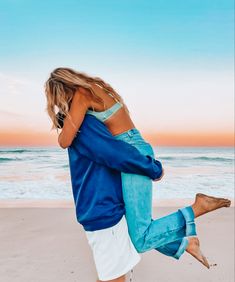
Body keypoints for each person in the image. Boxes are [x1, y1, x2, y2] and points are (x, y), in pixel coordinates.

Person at [45, 67, 231, 282]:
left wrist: (61, 119)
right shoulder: (91, 90)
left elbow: (64, 140)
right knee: (137, 232)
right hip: (131, 151)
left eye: (58, 100)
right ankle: (185, 243)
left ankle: (196, 209)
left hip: (132, 154)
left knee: (140, 238)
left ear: (61, 90)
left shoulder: (81, 94)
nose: (62, 106)